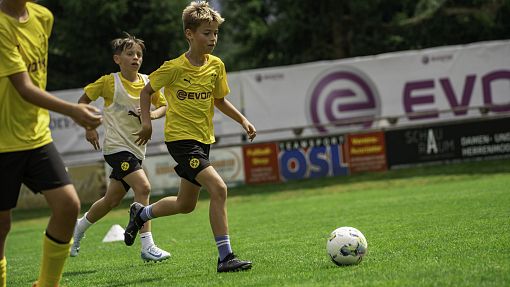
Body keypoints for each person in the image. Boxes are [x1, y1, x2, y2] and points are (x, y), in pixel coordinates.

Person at [124, 1, 256, 273]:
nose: (213, 39)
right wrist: (147, 124)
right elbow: (146, 92)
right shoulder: (173, 67)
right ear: (189, 34)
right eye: (206, 33)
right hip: (181, 141)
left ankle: (141, 213)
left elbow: (219, 100)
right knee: (219, 188)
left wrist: (242, 120)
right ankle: (225, 257)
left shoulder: (216, 66)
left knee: (186, 204)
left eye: (215, 33)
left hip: (203, 140)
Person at [0, 0, 102, 286]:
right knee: (2, 226)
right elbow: (24, 88)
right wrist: (73, 110)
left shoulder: (43, 17)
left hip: (35, 136)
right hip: (2, 142)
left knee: (68, 205)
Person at [70, 33, 171, 262]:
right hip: (116, 149)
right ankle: (147, 246)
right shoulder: (108, 82)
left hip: (136, 151)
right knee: (143, 187)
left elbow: (163, 106)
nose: (136, 57)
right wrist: (89, 127)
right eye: (130, 53)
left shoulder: (147, 82)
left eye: (139, 54)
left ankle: (79, 227)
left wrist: (150, 116)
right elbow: (82, 102)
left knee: (111, 200)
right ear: (117, 59)